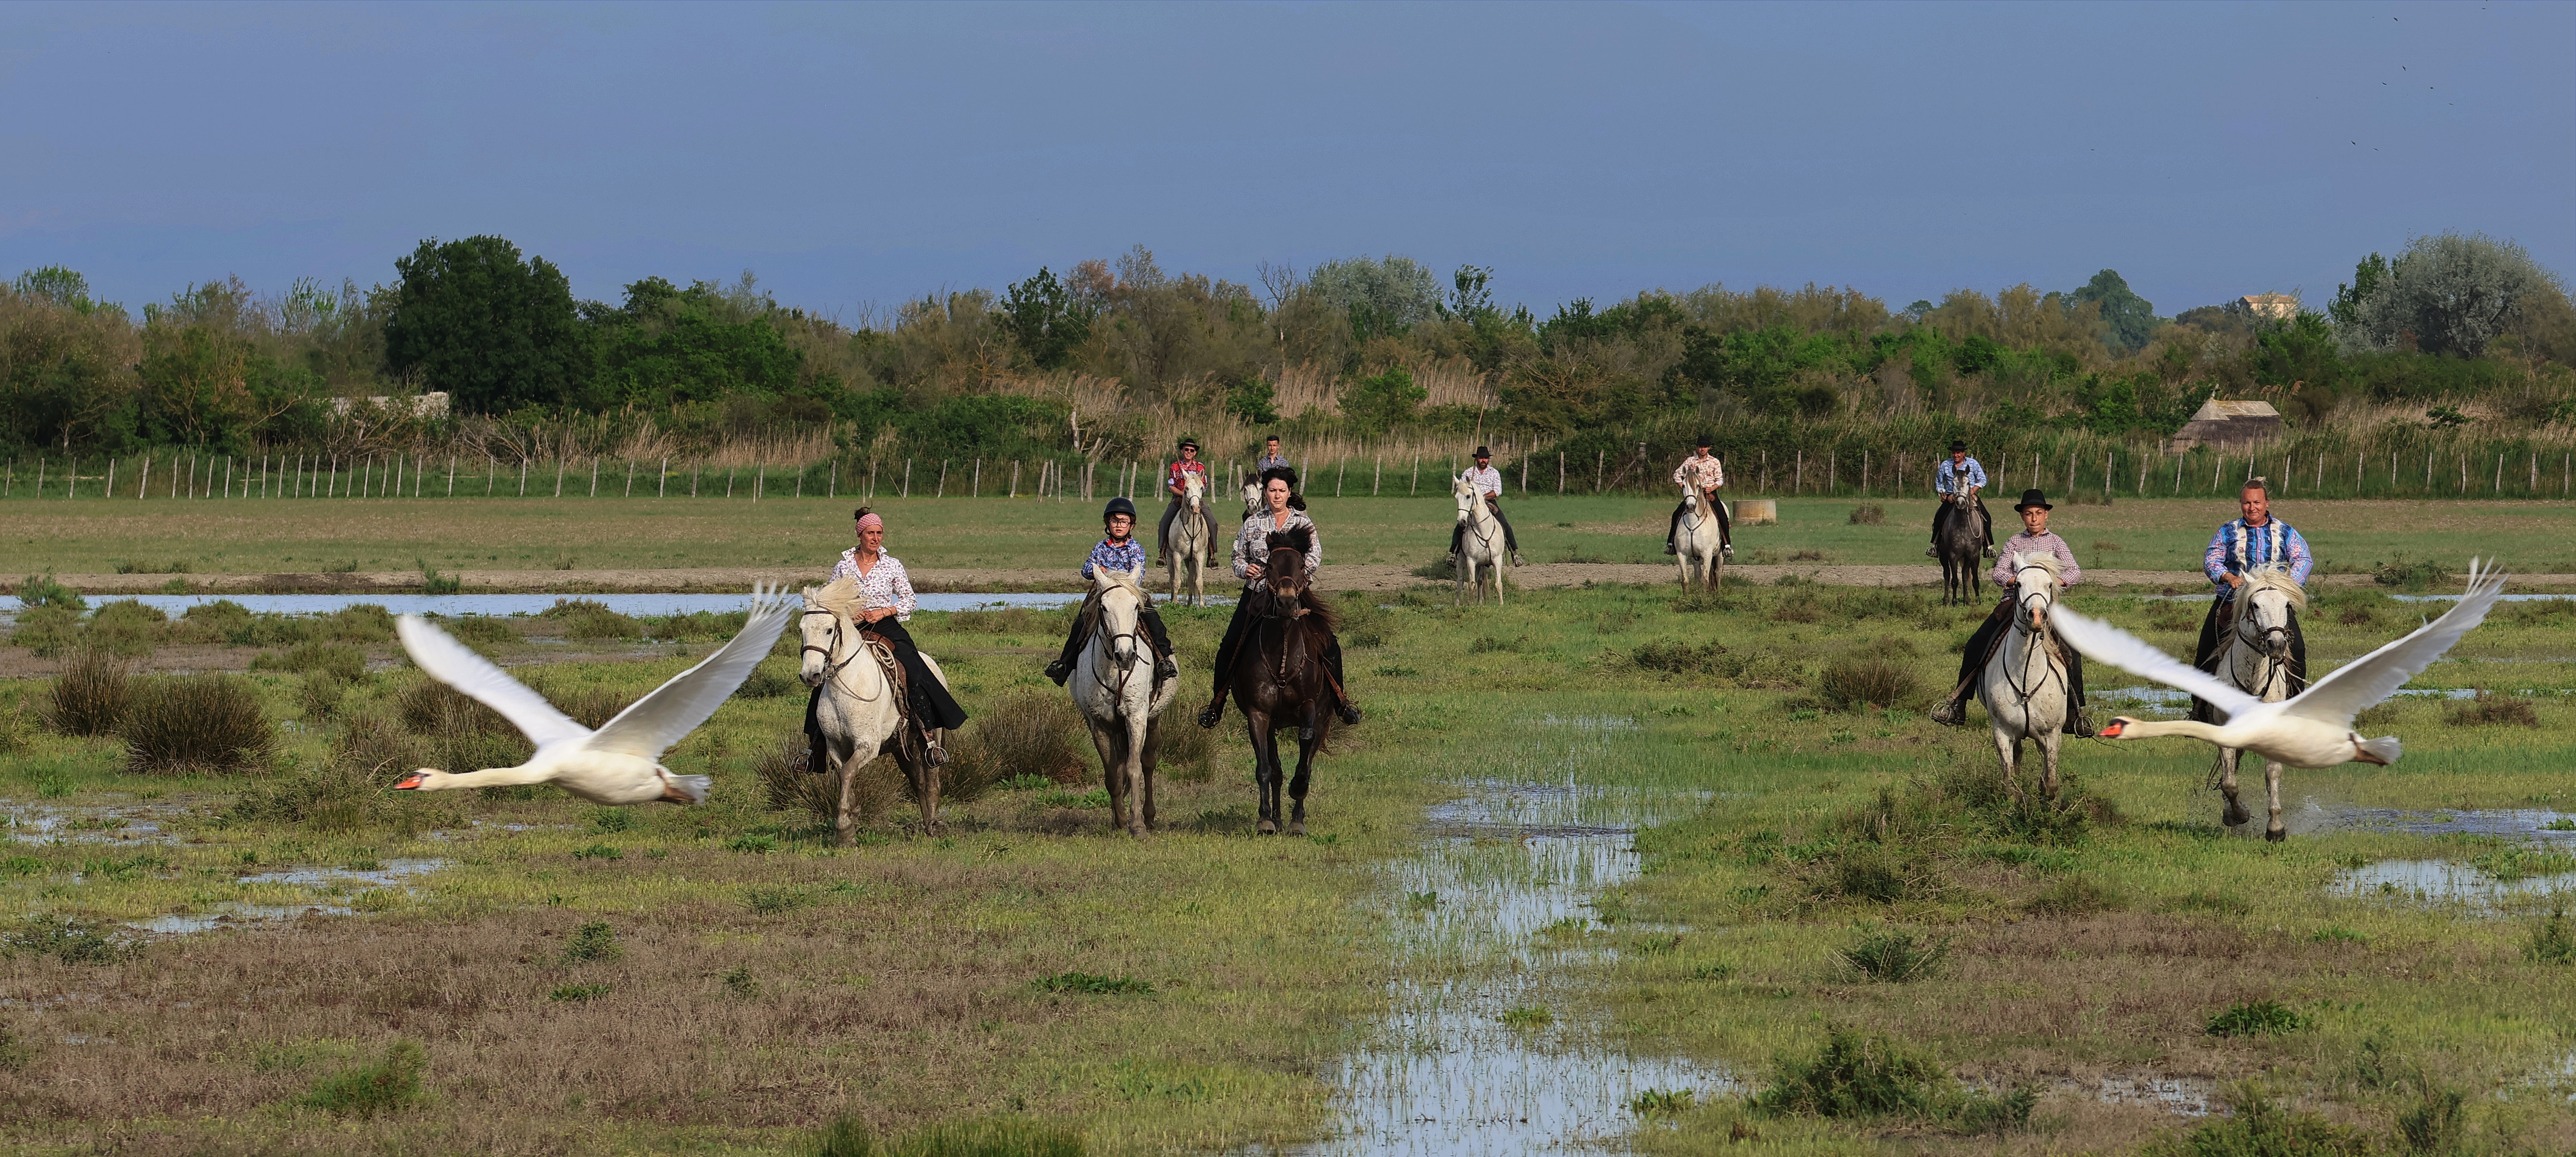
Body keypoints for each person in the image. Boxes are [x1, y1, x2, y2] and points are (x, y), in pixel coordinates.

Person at [807, 507, 970, 770]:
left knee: (914, 668)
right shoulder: (844, 565)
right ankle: (815, 747)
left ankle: (928, 739)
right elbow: (829, 600)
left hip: (885, 625)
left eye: (880, 533)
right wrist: (850, 611)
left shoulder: (892, 565)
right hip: (852, 628)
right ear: (860, 534)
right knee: (824, 678)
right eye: (871, 533)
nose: (876, 538)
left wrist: (884, 611)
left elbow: (910, 600)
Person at [1198, 468, 1360, 729]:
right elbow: (1238, 556)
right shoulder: (1252, 523)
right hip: (1258, 593)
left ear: (1289, 493)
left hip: (1295, 593)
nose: (1277, 495)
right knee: (1230, 645)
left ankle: (1341, 701)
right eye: (1272, 490)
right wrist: (1245, 569)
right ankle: (1216, 704)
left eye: (1282, 491)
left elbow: (1315, 556)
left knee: (1329, 642)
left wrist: (1295, 581)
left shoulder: (1303, 523)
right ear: (1265, 493)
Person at [1929, 489, 2090, 734]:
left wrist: (2054, 581)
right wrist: (2016, 580)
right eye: (2028, 514)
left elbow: (2075, 571)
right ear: (2022, 517)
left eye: (2038, 513)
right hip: (2013, 606)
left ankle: (2075, 715)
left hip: (2047, 609)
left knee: (2072, 653)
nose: (2034, 518)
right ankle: (1958, 704)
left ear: (2046, 515)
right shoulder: (2015, 542)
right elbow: (1998, 572)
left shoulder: (2056, 542)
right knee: (1976, 644)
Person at [2193, 479, 2312, 711]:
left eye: (2257, 502)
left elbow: (2304, 559)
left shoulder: (2285, 532)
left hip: (2273, 605)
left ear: (2267, 503)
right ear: (2241, 504)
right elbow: (2211, 560)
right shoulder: (2228, 531)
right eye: (2247, 503)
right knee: (2205, 653)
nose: (2252, 508)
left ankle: (2295, 708)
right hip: (2232, 602)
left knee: (2297, 652)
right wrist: (2228, 577)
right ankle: (2200, 710)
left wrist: (2284, 586)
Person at [1046, 497, 1180, 685]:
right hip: (1103, 595)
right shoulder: (1100, 547)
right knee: (1080, 625)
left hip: (1130, 593)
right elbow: (1086, 569)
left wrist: (1119, 581)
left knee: (1154, 622)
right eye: (1115, 521)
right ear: (1108, 523)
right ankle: (1065, 666)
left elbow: (1138, 574)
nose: (1119, 526)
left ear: (1131, 525)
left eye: (1124, 522)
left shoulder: (1136, 549)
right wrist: (1097, 571)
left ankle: (1164, 660)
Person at [1663, 435, 1733, 558]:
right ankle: (1671, 544)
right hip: (1693, 495)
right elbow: (1677, 475)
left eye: (1705, 447)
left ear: (1709, 448)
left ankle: (1727, 546)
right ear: (1697, 448)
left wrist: (1712, 488)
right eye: (1701, 447)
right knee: (1676, 515)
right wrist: (1685, 488)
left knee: (1722, 517)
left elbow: (1720, 480)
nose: (1703, 449)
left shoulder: (1714, 462)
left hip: (1709, 494)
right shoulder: (1690, 461)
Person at [1452, 446, 1524, 566]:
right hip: (1472, 504)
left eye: (1486, 458)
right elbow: (1462, 489)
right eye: (1481, 458)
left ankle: (1515, 554)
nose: (1483, 461)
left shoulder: (1494, 473)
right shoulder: (1468, 473)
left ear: (1488, 460)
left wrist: (1482, 497)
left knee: (1505, 525)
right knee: (1460, 526)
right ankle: (1453, 554)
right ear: (1477, 459)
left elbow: (1497, 491)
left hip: (1490, 502)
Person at [1156, 438, 1221, 568]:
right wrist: (1184, 494)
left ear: (1195, 453)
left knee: (1213, 523)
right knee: (1164, 522)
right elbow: (1171, 486)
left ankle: (1212, 553)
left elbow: (1205, 486)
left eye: (1192, 450)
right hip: (1179, 499)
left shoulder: (1200, 467)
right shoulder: (1175, 467)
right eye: (1187, 449)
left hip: (1197, 500)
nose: (1189, 452)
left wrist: (1194, 497)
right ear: (1182, 451)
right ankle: (1162, 552)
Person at [1927, 439, 1993, 558]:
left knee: (1986, 517)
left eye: (1958, 453)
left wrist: (1973, 491)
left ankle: (1988, 547)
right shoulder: (1946, 465)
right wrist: (1942, 493)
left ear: (1964, 453)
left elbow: (1982, 479)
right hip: (1952, 497)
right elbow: (1939, 481)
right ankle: (1935, 545)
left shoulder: (1973, 464)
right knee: (1939, 518)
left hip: (1969, 496)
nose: (1956, 455)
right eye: (1954, 453)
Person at [1253, 435, 1305, 510]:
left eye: (1274, 445)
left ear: (1278, 446)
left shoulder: (1283, 462)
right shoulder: (1262, 462)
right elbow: (1260, 479)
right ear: (1267, 446)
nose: (1272, 448)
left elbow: (1286, 477)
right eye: (1270, 445)